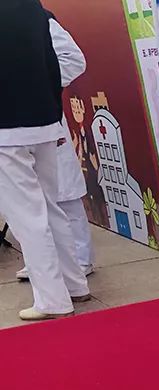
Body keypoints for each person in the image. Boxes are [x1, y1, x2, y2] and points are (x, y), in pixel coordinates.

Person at [0, 0, 90, 321]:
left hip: (6, 131)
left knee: (27, 216)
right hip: (45, 122)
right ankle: (74, 283)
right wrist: (48, 102)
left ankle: (52, 299)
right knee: (50, 207)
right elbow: (61, 63)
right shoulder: (35, 10)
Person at [16, 120, 96, 281]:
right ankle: (41, 260)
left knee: (67, 199)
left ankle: (81, 259)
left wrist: (56, 128)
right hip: (19, 134)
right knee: (31, 203)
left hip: (49, 126)